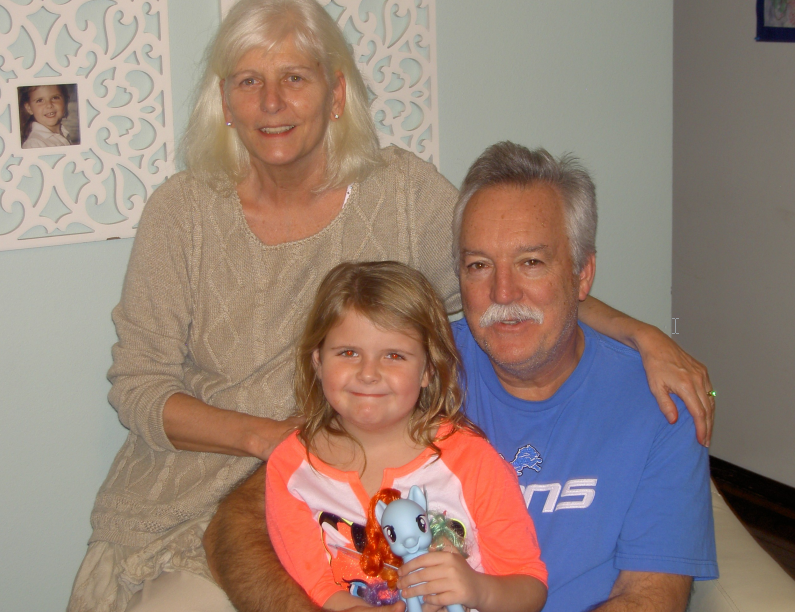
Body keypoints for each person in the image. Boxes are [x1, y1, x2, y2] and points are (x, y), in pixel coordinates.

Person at [67, 0, 714, 609]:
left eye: (294, 78)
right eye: (248, 81)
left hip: (348, 500)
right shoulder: (182, 213)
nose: (271, 102)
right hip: (194, 502)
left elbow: (500, 278)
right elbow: (139, 387)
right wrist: (273, 439)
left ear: (336, 93)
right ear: (224, 101)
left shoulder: (400, 193)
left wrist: (642, 335)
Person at [205, 143, 718, 612]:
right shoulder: (408, 367)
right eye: (478, 266)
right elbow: (238, 525)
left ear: (582, 273)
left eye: (531, 262)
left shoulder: (659, 401)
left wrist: (643, 334)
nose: (502, 292)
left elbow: (652, 598)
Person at [266, 261, 547, 612]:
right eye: (348, 353)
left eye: (394, 356)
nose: (368, 373)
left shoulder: (472, 461)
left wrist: (477, 589)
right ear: (318, 361)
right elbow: (315, 585)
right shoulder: (291, 468)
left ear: (428, 370)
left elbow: (530, 588)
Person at [19, 84, 72, 148]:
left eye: (55, 98)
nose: (49, 105)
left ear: (65, 101)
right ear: (29, 108)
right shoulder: (34, 144)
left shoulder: (64, 134)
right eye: (40, 100)